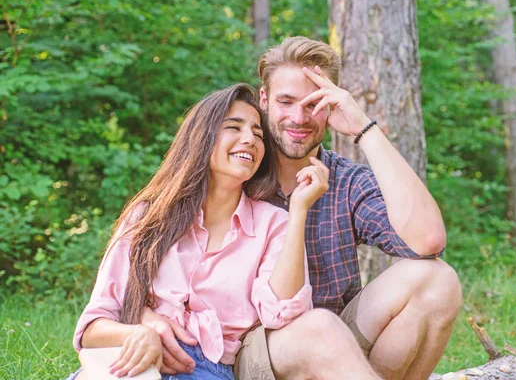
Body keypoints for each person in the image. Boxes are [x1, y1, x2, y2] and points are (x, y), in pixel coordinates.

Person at [145, 37, 462, 380]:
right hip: (241, 354)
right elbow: (152, 260)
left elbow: (428, 240)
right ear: (264, 100)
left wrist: (364, 129)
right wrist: (145, 317)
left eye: (314, 103)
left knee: (438, 280)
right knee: (317, 330)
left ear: (331, 106)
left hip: (337, 344)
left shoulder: (347, 182)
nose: (299, 117)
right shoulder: (235, 169)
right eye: (286, 101)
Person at [67, 84, 329, 379]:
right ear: (202, 137)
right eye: (234, 127)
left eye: (258, 134)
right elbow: (92, 327)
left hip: (207, 369)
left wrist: (299, 212)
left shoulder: (273, 224)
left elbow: (281, 313)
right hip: (133, 362)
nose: (250, 139)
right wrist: (143, 332)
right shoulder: (147, 216)